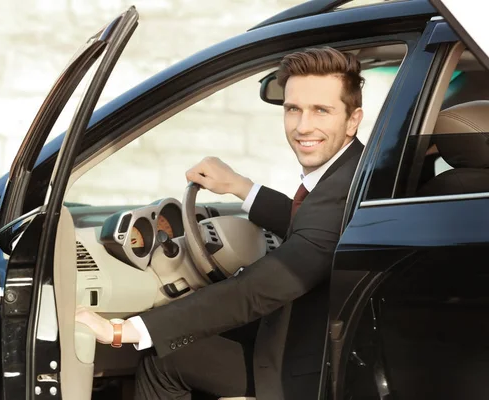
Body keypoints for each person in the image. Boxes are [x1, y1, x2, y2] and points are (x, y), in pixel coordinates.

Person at [76, 46, 366, 400]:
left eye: (321, 110)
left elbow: (259, 288)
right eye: (293, 110)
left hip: (311, 367)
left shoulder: (342, 186)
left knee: (163, 362)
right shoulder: (352, 171)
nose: (303, 126)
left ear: (353, 119)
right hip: (315, 333)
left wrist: (126, 330)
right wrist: (239, 187)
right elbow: (313, 225)